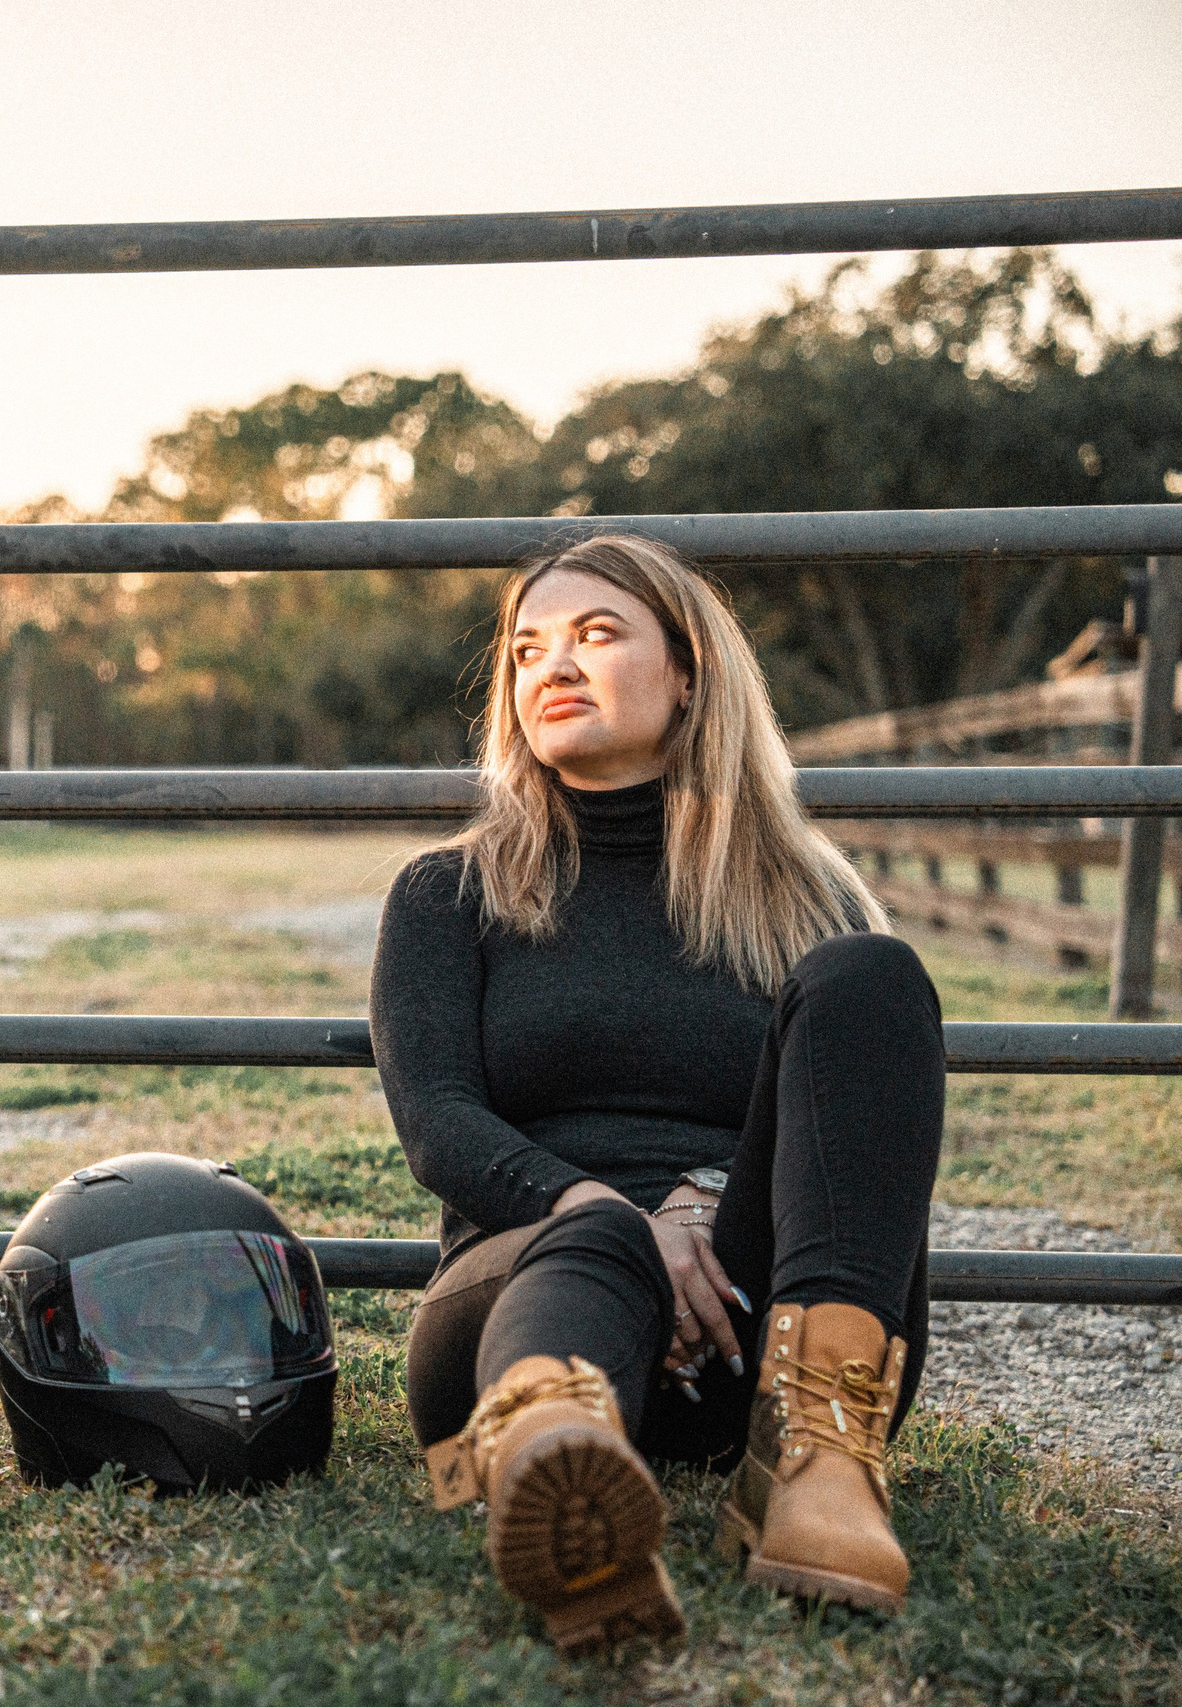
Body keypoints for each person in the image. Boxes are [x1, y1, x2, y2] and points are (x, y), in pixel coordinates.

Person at [370, 535, 943, 1654]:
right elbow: (438, 1125)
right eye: (526, 650)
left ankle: (813, 1466)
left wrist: (703, 1199)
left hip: (753, 1328)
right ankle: (550, 1460)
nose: (551, 666)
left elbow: (848, 1134)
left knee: (874, 977)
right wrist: (611, 1213)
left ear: (688, 673)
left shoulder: (806, 893)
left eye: (594, 634)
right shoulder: (450, 892)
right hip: (525, 1302)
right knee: (596, 1245)